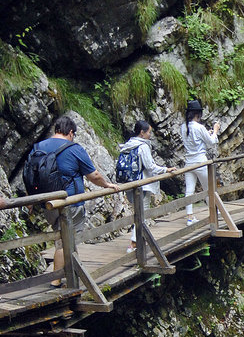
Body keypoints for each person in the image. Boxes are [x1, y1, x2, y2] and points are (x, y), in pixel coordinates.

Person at [33, 114, 119, 285]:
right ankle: (56, 280)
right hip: (69, 202)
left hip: (47, 203)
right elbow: (93, 175)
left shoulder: (39, 146)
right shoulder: (74, 149)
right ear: (70, 132)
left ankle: (74, 272)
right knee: (64, 242)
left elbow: (31, 174)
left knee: (67, 239)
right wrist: (107, 185)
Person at [118, 120, 171, 253]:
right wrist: (166, 170)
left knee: (139, 212)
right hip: (142, 184)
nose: (150, 135)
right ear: (142, 132)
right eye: (149, 132)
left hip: (130, 183)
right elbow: (150, 167)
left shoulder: (129, 145)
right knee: (143, 213)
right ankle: (134, 244)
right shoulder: (142, 146)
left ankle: (139, 240)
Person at [181, 100, 219, 224]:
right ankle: (215, 211)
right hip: (201, 162)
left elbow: (194, 139)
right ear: (198, 114)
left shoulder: (183, 127)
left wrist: (206, 134)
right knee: (208, 188)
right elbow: (211, 142)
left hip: (189, 163)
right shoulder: (199, 127)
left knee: (189, 190)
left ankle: (189, 217)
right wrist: (215, 130)